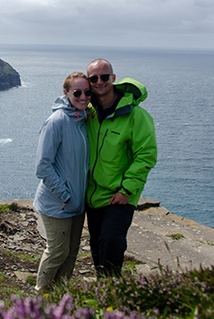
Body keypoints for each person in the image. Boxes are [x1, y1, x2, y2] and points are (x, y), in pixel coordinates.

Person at [85, 59, 158, 277]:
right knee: (98, 246)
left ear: (113, 78)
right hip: (93, 194)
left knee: (111, 243)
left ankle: (113, 294)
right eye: (93, 78)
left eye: (104, 77)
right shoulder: (87, 112)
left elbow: (146, 154)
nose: (99, 82)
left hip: (120, 195)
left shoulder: (136, 115)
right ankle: (104, 292)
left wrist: (127, 189)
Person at [33, 72, 91, 292]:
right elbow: (43, 167)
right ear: (66, 92)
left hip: (77, 203)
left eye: (87, 92)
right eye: (77, 92)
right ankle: (41, 298)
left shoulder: (84, 118)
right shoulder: (57, 121)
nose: (83, 96)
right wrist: (65, 195)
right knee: (57, 252)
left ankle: (59, 297)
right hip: (59, 202)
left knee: (72, 253)